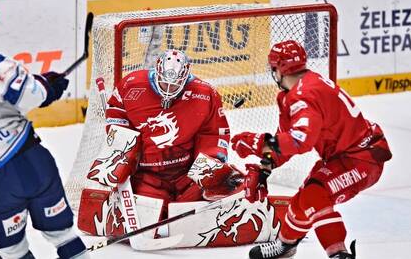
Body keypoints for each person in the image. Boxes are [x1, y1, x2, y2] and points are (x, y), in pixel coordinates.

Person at [0, 20, 89, 259]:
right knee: (64, 236)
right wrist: (47, 87)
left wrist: (42, 83)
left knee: (12, 252)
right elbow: (29, 95)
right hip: (32, 162)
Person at [231, 40, 392, 259]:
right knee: (301, 201)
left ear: (280, 69)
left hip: (362, 158)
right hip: (343, 156)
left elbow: (300, 141)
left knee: (315, 195)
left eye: (274, 68)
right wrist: (265, 168)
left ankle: (338, 254)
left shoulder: (303, 95)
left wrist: (257, 142)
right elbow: (284, 142)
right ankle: (286, 245)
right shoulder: (296, 91)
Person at [99, 49, 233, 218]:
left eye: (176, 84)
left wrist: (213, 161)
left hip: (186, 174)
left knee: (220, 196)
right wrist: (120, 151)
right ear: (157, 72)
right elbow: (117, 118)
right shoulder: (131, 85)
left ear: (185, 78)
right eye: (164, 83)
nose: (169, 89)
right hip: (146, 175)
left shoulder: (205, 94)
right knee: (145, 216)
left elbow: (213, 134)